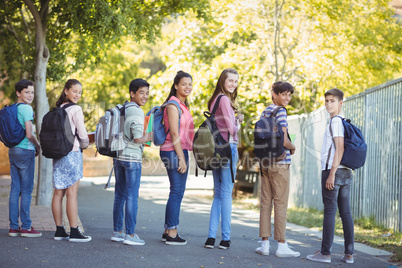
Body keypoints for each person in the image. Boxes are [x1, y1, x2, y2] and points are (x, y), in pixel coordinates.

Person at [307, 88, 354, 264]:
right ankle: (349, 254)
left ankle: (325, 253)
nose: (328, 104)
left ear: (341, 103)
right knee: (345, 212)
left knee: (330, 211)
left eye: (332, 101)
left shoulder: (335, 122)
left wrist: (331, 173)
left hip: (333, 171)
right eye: (326, 100)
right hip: (346, 171)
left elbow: (339, 148)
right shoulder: (342, 121)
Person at [255, 81, 300, 257]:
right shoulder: (281, 112)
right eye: (283, 94)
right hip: (280, 163)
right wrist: (293, 147)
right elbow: (283, 140)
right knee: (280, 203)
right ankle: (282, 245)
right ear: (274, 94)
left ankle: (264, 244)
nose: (287, 98)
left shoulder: (265, 111)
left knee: (266, 203)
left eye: (289, 94)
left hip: (265, 162)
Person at [203, 68, 242, 250]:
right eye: (230, 80)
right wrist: (238, 122)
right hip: (227, 149)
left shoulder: (214, 100)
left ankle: (211, 238)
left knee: (218, 194)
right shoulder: (225, 99)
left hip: (214, 150)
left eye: (236, 81)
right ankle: (225, 239)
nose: (233, 84)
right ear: (223, 81)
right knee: (226, 194)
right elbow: (232, 130)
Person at [110, 79, 152, 246]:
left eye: (147, 93)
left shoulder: (122, 108)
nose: (145, 96)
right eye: (141, 92)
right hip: (132, 159)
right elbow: (137, 138)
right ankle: (131, 234)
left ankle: (118, 231)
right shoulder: (137, 111)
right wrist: (147, 137)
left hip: (118, 157)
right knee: (132, 196)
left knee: (119, 195)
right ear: (132, 93)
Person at [51, 79, 91, 242]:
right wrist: (87, 144)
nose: (77, 95)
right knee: (72, 193)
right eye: (74, 91)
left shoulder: (57, 109)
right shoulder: (75, 109)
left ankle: (60, 230)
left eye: (80, 92)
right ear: (66, 91)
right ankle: (74, 231)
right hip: (72, 152)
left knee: (58, 192)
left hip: (58, 154)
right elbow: (82, 134)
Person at [160, 71, 194, 245]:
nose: (187, 87)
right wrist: (181, 158)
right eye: (183, 84)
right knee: (177, 191)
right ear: (176, 86)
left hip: (177, 151)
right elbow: (174, 133)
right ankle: (172, 233)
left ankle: (168, 230)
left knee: (175, 191)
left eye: (190, 84)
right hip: (173, 151)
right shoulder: (173, 105)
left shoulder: (182, 105)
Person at [8, 79, 42, 237]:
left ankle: (14, 227)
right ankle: (27, 227)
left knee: (15, 189)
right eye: (27, 92)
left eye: (32, 92)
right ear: (18, 93)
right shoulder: (27, 109)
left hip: (13, 150)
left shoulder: (13, 108)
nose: (30, 95)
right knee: (27, 191)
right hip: (25, 151)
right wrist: (38, 145)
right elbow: (29, 134)